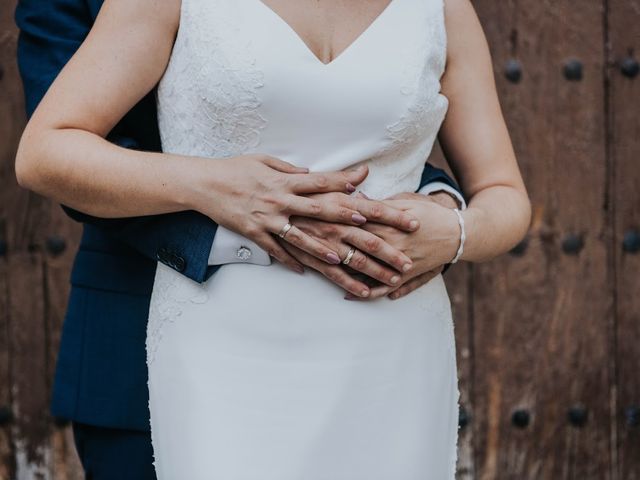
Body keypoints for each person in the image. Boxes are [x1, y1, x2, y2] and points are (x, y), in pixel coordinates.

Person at [14, 0, 531, 478]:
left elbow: (502, 192)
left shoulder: (441, 7)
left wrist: (457, 229)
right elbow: (47, 150)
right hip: (222, 348)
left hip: (391, 350)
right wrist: (211, 184)